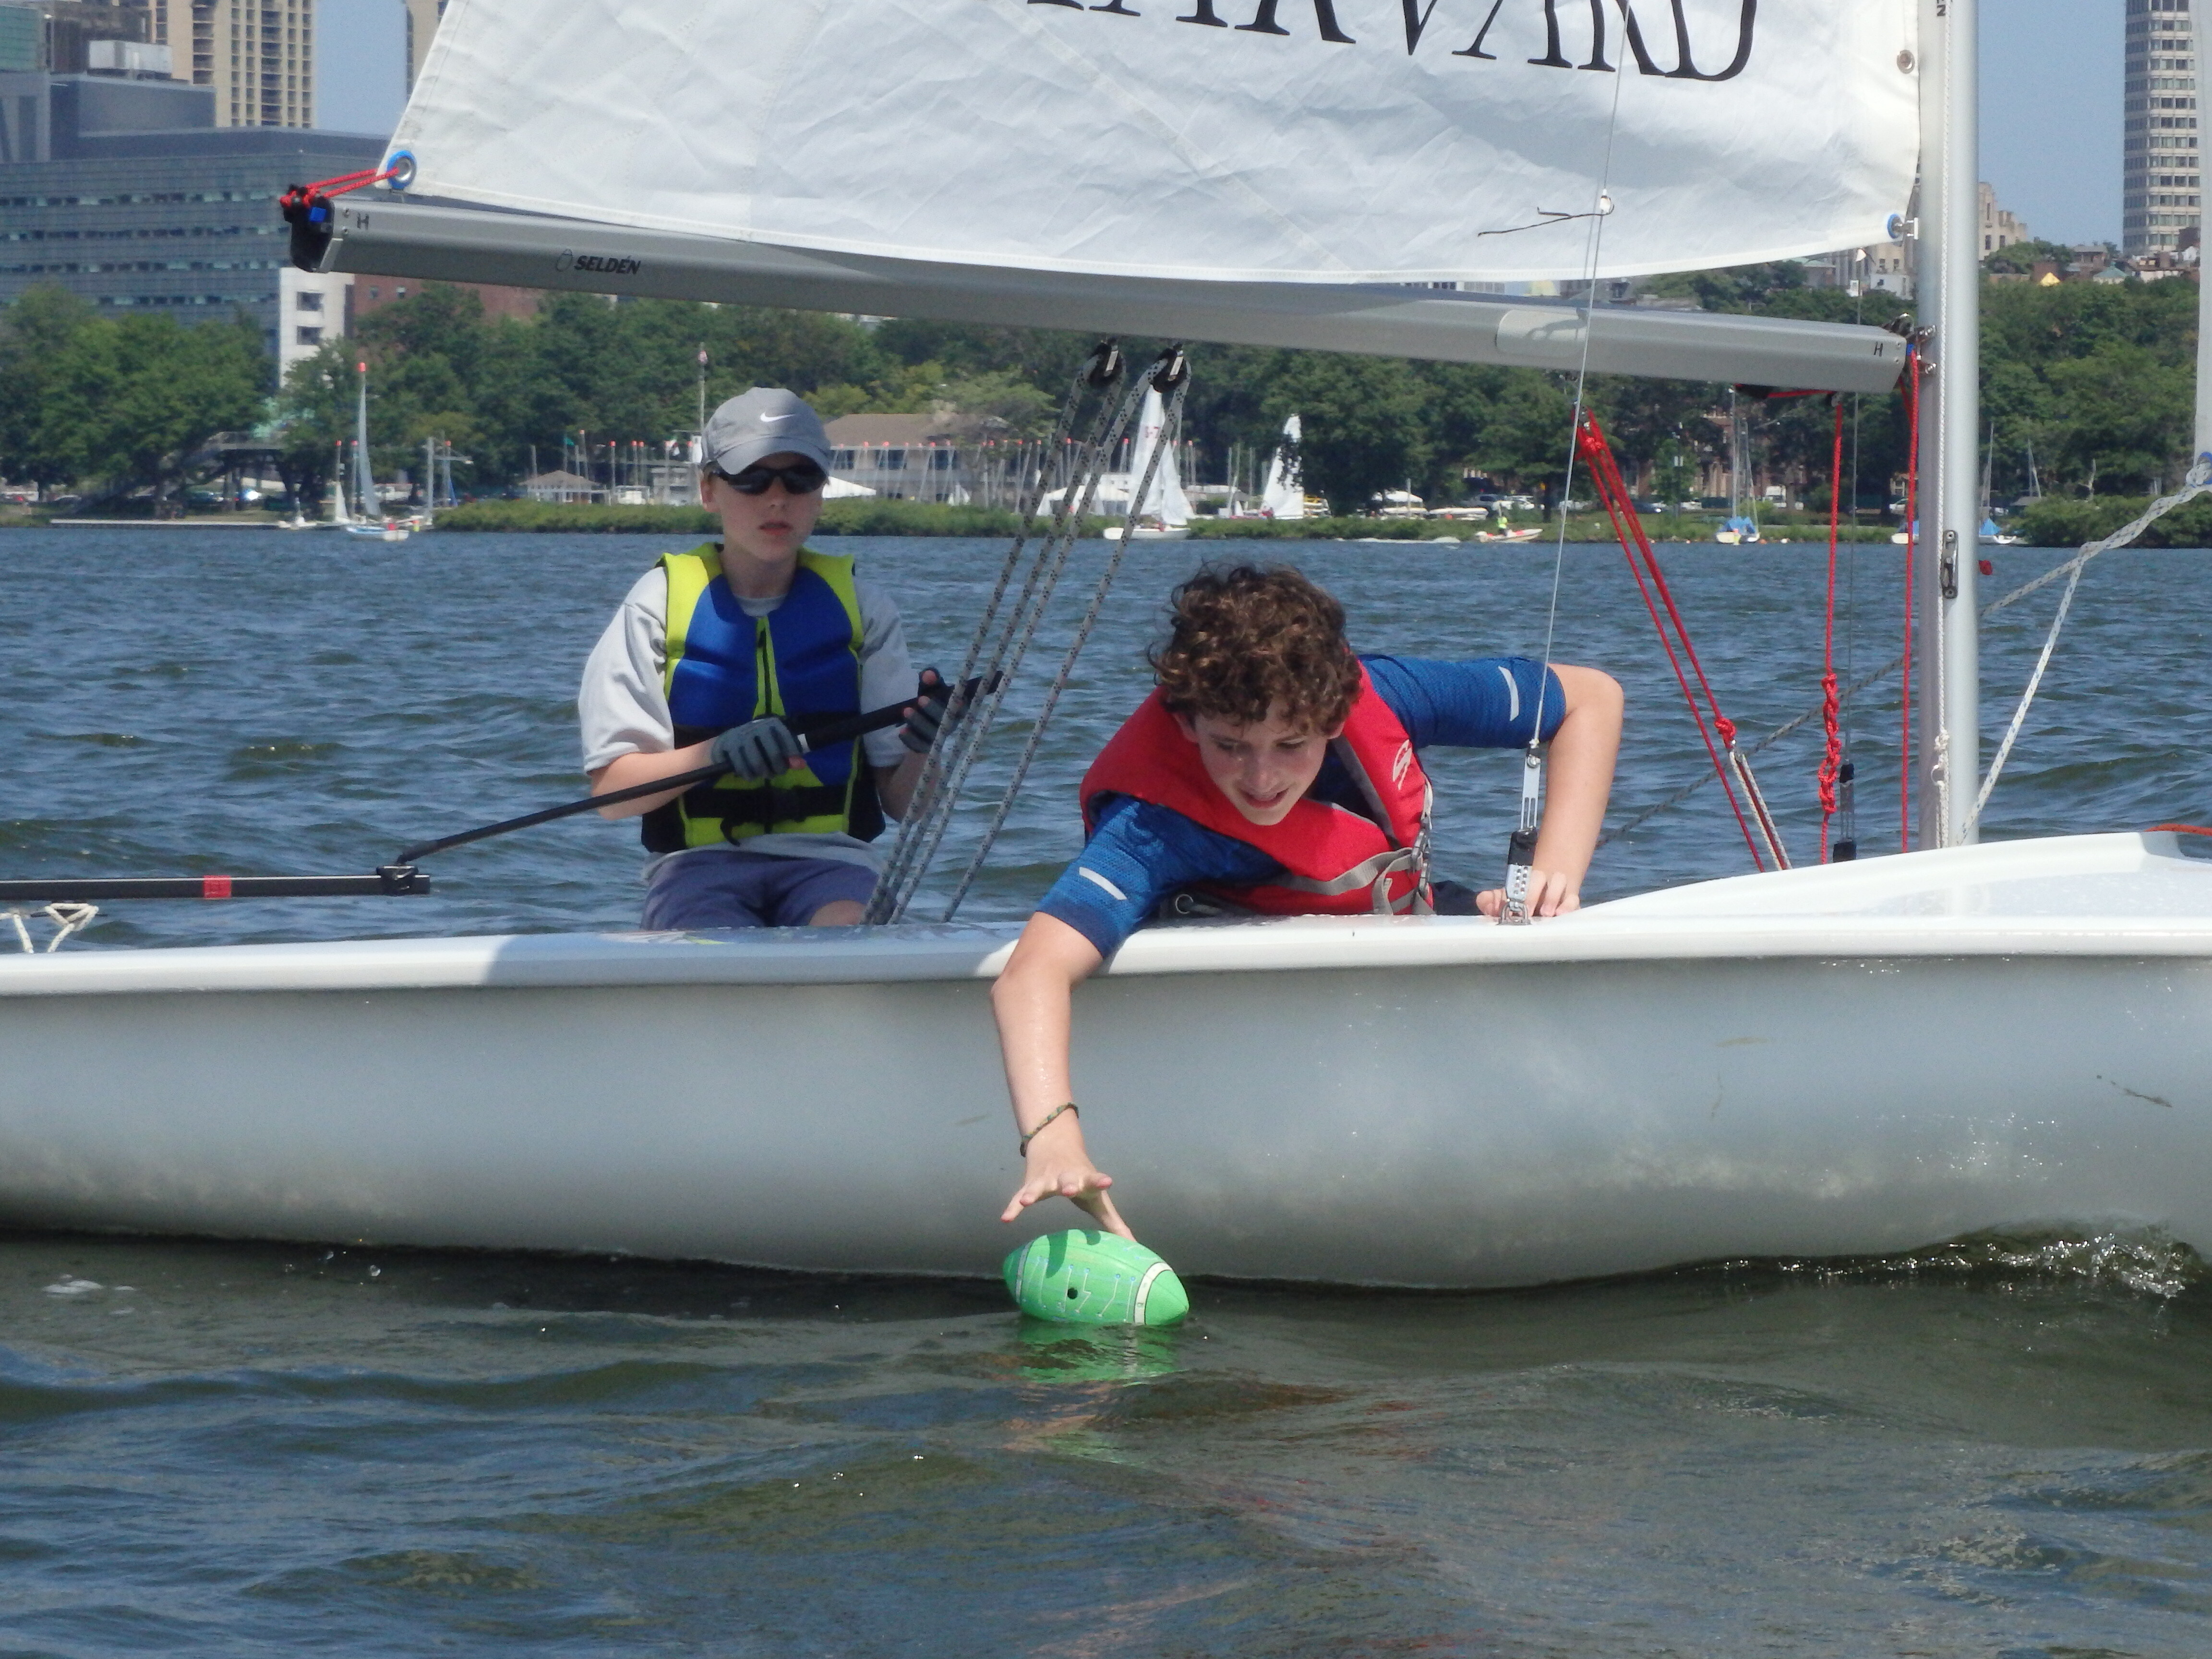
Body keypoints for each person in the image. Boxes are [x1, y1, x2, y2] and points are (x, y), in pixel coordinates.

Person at [989, 563, 1623, 1238]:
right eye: (1230, 745)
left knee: (1513, 915)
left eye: (1291, 745)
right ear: (1186, 724)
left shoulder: (1388, 692)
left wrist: (1554, 870)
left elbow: (1592, 699)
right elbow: (1032, 972)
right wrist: (1054, 1139)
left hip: (1409, 922)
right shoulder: (1151, 827)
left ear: (1332, 714)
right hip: (1272, 995)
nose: (1261, 778)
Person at [578, 387, 951, 929]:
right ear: (709, 490)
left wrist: (924, 748)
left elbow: (905, 805)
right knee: (711, 950)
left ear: (822, 493)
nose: (777, 499)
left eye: (800, 480)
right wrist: (715, 754)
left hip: (834, 864)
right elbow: (613, 795)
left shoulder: (864, 608)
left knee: (849, 933)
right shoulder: (654, 605)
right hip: (695, 866)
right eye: (753, 479)